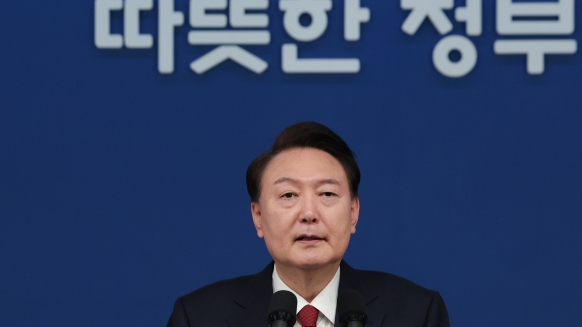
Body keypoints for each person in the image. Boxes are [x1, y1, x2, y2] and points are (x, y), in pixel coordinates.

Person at [166, 122, 450, 327]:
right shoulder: (199, 317)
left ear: (353, 212)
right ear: (258, 217)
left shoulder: (417, 313)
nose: (309, 213)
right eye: (289, 195)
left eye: (327, 194)